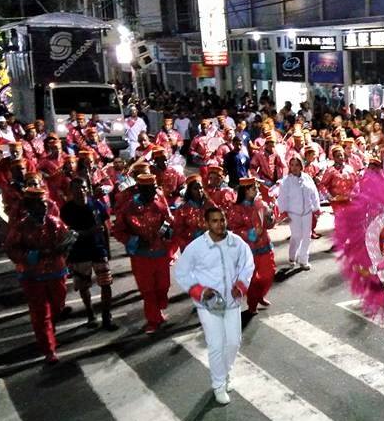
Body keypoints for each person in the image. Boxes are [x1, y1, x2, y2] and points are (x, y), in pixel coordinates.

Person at [174, 206, 254, 405]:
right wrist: (200, 291)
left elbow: (248, 264)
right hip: (208, 305)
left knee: (234, 341)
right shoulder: (197, 247)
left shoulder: (236, 243)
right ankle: (218, 385)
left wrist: (241, 284)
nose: (220, 224)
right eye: (215, 221)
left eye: (222, 219)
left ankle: (225, 373)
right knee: (216, 344)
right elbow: (181, 272)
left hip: (232, 301)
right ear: (206, 224)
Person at [3, 186, 72, 363]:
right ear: (31, 207)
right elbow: (11, 249)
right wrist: (33, 256)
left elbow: (66, 241)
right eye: (40, 205)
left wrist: (66, 246)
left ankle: (49, 331)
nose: (44, 207)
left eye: (45, 204)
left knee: (58, 305)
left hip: (56, 272)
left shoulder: (55, 222)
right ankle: (48, 349)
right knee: (41, 312)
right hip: (33, 275)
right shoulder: (21, 226)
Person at [112, 173, 175, 333]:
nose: (154, 192)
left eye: (154, 188)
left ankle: (159, 309)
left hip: (161, 253)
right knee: (148, 291)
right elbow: (118, 230)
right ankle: (153, 320)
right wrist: (136, 241)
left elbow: (168, 220)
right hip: (141, 257)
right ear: (140, 189)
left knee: (163, 286)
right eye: (149, 189)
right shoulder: (128, 207)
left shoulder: (160, 200)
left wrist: (163, 232)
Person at [61, 177, 117, 330]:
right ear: (71, 191)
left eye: (83, 187)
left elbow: (105, 226)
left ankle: (107, 316)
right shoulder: (66, 210)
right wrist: (87, 232)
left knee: (106, 283)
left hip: (98, 249)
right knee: (84, 285)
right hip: (79, 253)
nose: (81, 191)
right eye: (76, 188)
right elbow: (66, 233)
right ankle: (90, 313)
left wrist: (107, 248)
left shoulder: (97, 204)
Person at [227, 176, 275, 314]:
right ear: (246, 191)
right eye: (253, 188)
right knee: (252, 278)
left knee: (269, 273)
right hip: (248, 249)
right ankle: (252, 303)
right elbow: (234, 229)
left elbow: (270, 224)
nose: (256, 190)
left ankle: (259, 295)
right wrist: (251, 233)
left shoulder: (261, 204)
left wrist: (270, 218)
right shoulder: (236, 209)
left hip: (265, 245)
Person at [277, 155, 321, 269]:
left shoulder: (307, 178)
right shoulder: (286, 182)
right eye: (292, 165)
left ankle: (303, 260)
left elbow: (314, 193)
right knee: (296, 236)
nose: (294, 168)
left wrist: (316, 208)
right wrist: (283, 212)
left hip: (307, 211)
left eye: (297, 165)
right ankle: (292, 256)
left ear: (301, 166)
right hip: (293, 213)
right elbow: (282, 198)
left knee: (307, 236)